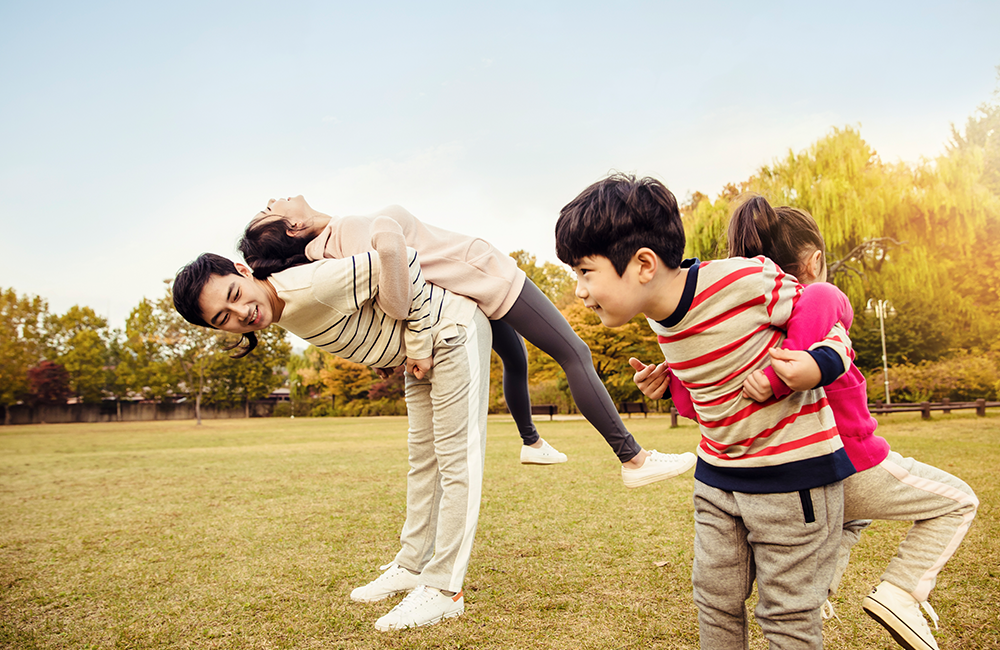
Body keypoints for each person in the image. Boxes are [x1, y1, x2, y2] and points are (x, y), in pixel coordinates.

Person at [555, 173, 857, 649]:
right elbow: (718, 378)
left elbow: (826, 310)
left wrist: (814, 365)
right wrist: (672, 385)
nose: (579, 290)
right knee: (714, 600)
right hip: (717, 479)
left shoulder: (745, 280)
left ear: (643, 264)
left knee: (787, 616)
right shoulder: (660, 315)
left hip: (792, 477)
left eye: (585, 272)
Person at [237, 196, 696, 486]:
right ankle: (633, 459)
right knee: (574, 352)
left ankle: (532, 442)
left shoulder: (330, 245)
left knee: (516, 359)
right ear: (291, 228)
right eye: (268, 210)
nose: (275, 199)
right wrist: (413, 340)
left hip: (468, 290)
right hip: (484, 277)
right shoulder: (345, 232)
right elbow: (394, 285)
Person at [172, 247, 488, 632]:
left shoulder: (310, 284)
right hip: (419, 354)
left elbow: (401, 258)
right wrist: (382, 353)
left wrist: (419, 343)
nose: (241, 313)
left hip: (451, 332)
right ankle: (412, 565)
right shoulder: (277, 304)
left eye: (235, 294)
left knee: (456, 462)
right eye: (223, 318)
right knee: (423, 462)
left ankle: (444, 588)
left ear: (243, 270)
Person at [729, 195, 979, 650]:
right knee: (959, 501)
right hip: (849, 460)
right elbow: (802, 343)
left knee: (851, 519)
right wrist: (776, 379)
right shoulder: (819, 295)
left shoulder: (748, 325)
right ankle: (901, 593)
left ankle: (817, 594)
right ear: (815, 261)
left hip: (796, 469)